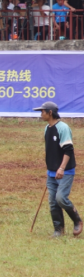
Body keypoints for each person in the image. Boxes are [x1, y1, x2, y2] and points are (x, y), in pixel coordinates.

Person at [36, 101, 82, 238]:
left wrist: (61, 168)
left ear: (50, 112)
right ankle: (58, 229)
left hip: (65, 171)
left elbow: (68, 150)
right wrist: (50, 169)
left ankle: (77, 220)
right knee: (53, 201)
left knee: (61, 198)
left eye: (42, 111)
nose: (41, 114)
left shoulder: (63, 128)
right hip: (51, 172)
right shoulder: (47, 128)